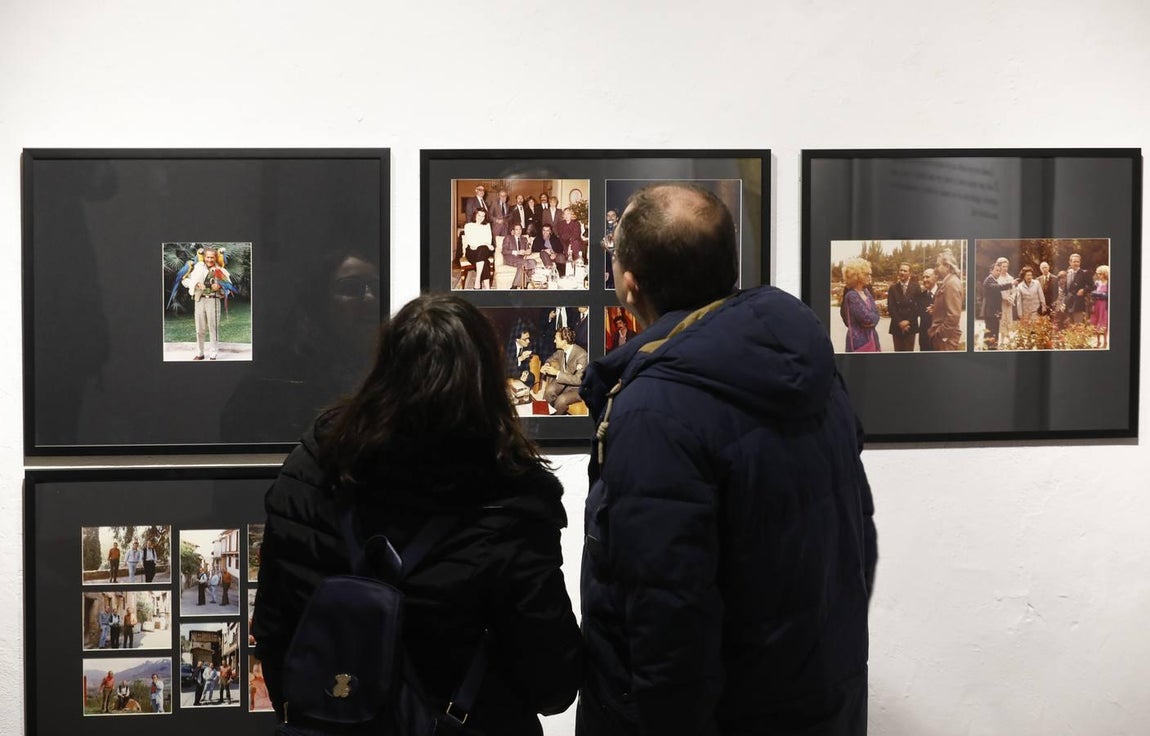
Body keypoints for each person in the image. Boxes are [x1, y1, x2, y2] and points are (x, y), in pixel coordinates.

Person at [578, 183, 875, 736]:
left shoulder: (652, 410)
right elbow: (860, 538)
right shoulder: (812, 368)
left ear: (628, 283)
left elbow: (668, 620)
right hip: (820, 700)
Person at [252, 294, 583, 733]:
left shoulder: (313, 470)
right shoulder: (512, 500)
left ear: (384, 367)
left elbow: (276, 635)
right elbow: (552, 681)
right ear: (485, 378)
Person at [181, 246, 227, 360]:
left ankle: (213, 353)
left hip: (213, 300)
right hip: (200, 300)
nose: (210, 260)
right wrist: (195, 284)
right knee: (199, 329)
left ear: (216, 258)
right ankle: (200, 353)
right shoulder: (197, 268)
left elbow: (228, 286)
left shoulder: (220, 269)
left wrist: (220, 286)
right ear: (204, 257)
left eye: (212, 257)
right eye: (207, 257)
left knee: (213, 328)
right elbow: (185, 280)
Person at [540, 326, 588, 414]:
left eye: (556, 339)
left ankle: (556, 420)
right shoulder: (561, 350)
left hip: (577, 387)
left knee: (561, 399)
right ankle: (545, 414)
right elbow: (550, 358)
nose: (554, 341)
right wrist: (547, 365)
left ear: (564, 342)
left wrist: (557, 373)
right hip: (564, 381)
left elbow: (579, 380)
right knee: (549, 391)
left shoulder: (582, 355)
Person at [841, 258, 880, 352]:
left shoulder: (866, 292)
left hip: (872, 338)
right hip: (859, 342)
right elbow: (867, 320)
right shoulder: (852, 296)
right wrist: (873, 319)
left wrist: (873, 319)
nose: (869, 277)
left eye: (870, 274)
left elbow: (877, 315)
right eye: (866, 274)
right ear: (856, 276)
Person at [929, 249, 963, 350]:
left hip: (946, 340)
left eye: (938, 265)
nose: (935, 269)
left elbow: (954, 316)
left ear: (947, 266)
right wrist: (936, 309)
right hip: (946, 338)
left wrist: (940, 333)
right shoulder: (949, 281)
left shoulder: (951, 284)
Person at [887, 262, 920, 351]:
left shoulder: (916, 287)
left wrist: (908, 321)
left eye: (905, 271)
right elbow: (891, 307)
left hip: (910, 326)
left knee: (909, 355)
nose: (902, 272)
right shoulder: (893, 288)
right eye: (901, 270)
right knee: (898, 354)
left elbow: (917, 308)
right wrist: (900, 322)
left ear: (910, 273)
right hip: (897, 326)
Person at [981, 259, 1013, 349]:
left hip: (994, 312)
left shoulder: (994, 280)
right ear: (991, 271)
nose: (998, 272)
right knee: (990, 333)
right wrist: (1010, 284)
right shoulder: (989, 280)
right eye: (996, 270)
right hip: (990, 312)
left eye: (999, 270)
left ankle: (992, 349)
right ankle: (988, 350)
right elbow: (997, 287)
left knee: (993, 332)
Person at [462, 209, 495, 289]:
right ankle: (488, 288)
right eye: (479, 215)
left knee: (482, 249)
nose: (481, 218)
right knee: (485, 262)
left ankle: (477, 280)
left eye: (483, 216)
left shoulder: (487, 226)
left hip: (484, 250)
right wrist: (485, 243)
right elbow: (471, 242)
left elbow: (488, 240)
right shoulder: (468, 225)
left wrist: (484, 244)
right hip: (471, 251)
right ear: (475, 215)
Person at [1064, 252, 1095, 324]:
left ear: (1080, 262)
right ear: (1070, 262)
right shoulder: (1068, 273)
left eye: (1077, 261)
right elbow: (1066, 289)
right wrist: (1064, 301)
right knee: (1069, 328)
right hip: (1068, 304)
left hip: (1078, 303)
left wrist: (1084, 290)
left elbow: (1093, 286)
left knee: (1078, 327)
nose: (1076, 263)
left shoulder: (1084, 273)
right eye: (1074, 261)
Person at [503, 223, 535, 289]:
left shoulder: (524, 239)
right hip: (511, 258)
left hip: (521, 259)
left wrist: (528, 251)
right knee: (524, 263)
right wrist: (516, 252)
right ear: (513, 231)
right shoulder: (508, 238)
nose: (518, 231)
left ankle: (523, 283)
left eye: (520, 229)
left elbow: (527, 250)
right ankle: (519, 285)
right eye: (516, 229)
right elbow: (504, 251)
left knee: (533, 262)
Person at [995, 257, 1017, 342]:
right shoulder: (996, 278)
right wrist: (1004, 297)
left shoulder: (1010, 278)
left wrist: (1011, 298)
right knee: (1001, 320)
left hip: (1009, 304)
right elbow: (997, 290)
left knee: (1008, 321)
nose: (1005, 268)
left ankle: (1008, 340)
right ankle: (1001, 340)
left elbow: (1014, 291)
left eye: (1006, 266)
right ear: (999, 266)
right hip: (1000, 303)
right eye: (1003, 266)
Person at [917, 268, 937, 351]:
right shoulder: (921, 296)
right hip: (924, 339)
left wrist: (936, 312)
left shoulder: (942, 293)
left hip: (938, 337)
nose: (925, 280)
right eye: (923, 277)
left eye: (927, 277)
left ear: (935, 277)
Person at [1092, 265, 1109, 347]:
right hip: (1097, 304)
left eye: (1100, 274)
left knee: (1103, 322)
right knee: (1096, 322)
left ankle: (1105, 342)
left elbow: (1109, 295)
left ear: (1105, 274)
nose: (1099, 275)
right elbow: (1093, 293)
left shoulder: (1109, 283)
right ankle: (1098, 341)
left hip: (1104, 305)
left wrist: (1103, 295)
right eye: (1098, 274)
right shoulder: (1097, 283)